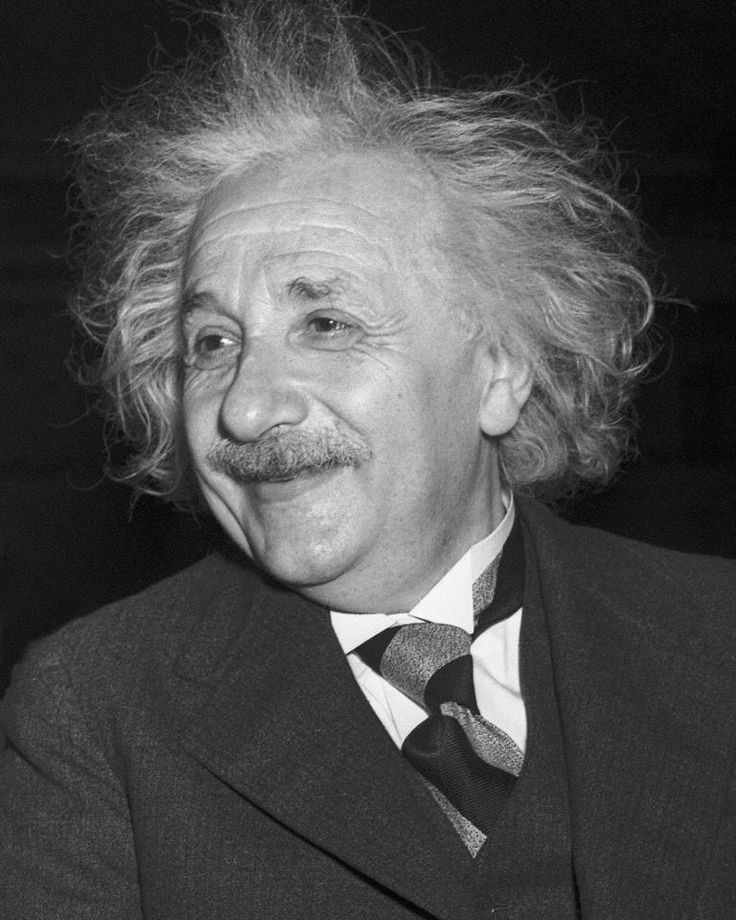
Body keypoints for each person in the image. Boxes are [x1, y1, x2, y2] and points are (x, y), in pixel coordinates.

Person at [1, 2, 734, 917]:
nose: (245, 407)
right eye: (213, 343)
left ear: (500, 371)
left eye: (325, 323)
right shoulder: (95, 709)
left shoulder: (717, 636)